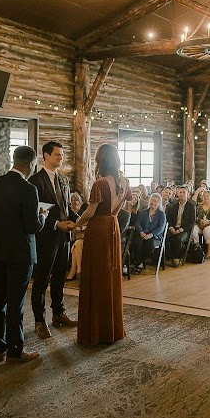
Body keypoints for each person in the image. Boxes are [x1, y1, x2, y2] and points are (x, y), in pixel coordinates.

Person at [0, 145, 46, 363]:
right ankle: (15, 351)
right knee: (15, 303)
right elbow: (32, 226)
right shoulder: (29, 189)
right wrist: (43, 216)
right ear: (31, 164)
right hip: (20, 253)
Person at [74, 144, 132, 347]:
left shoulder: (100, 183)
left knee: (96, 277)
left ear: (100, 161)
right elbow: (123, 206)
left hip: (98, 230)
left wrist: (76, 224)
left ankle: (96, 331)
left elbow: (90, 212)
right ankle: (112, 329)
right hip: (113, 226)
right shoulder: (124, 182)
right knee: (109, 275)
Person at [28, 141, 77, 341]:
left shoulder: (63, 180)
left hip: (64, 237)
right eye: (57, 154)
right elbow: (36, 212)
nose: (60, 158)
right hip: (46, 236)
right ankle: (40, 321)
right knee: (41, 279)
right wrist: (57, 223)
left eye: (61, 155)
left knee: (59, 276)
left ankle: (58, 312)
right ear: (46, 156)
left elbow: (67, 208)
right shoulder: (35, 181)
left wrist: (80, 221)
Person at [131, 192, 167, 273]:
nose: (153, 203)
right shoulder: (143, 212)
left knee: (150, 244)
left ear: (159, 203)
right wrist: (141, 232)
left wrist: (151, 235)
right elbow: (138, 223)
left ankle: (140, 261)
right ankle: (140, 263)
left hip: (155, 236)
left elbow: (161, 228)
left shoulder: (161, 214)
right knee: (137, 242)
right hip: (142, 233)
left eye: (156, 201)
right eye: (152, 200)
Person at [165, 185, 196, 267]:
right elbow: (170, 219)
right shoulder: (174, 205)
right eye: (180, 192)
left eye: (184, 192)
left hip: (184, 229)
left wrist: (180, 230)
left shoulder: (191, 206)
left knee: (178, 239)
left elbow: (191, 222)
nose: (182, 194)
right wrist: (171, 227)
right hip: (174, 227)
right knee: (165, 237)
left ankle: (177, 258)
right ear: (177, 193)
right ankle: (171, 257)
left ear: (187, 194)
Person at [193, 189, 210, 259]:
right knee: (194, 229)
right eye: (204, 196)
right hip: (201, 225)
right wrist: (200, 221)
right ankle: (197, 246)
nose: (206, 198)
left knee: (206, 230)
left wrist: (209, 221)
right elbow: (196, 217)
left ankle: (209, 247)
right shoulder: (199, 207)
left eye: (208, 196)